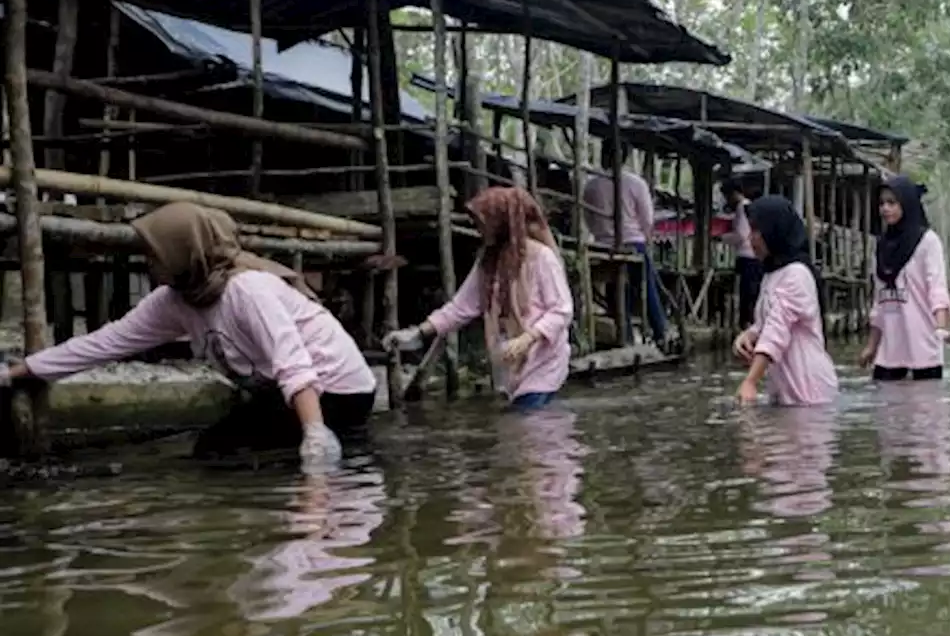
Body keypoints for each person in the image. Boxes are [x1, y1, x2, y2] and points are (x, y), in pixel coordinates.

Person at [0, 202, 376, 472]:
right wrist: (22, 371)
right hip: (284, 391)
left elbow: (294, 364)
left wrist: (315, 435)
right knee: (217, 451)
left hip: (338, 390)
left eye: (155, 254)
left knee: (242, 456)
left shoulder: (248, 289)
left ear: (184, 251)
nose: (149, 262)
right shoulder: (176, 300)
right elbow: (106, 342)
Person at [384, 186, 573, 411]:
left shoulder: (541, 258)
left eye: (482, 222)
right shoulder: (488, 262)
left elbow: (561, 310)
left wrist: (528, 338)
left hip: (543, 360)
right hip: (508, 361)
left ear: (500, 221)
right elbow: (461, 307)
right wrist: (418, 332)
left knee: (527, 424)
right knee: (521, 431)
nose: (478, 228)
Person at [731, 195, 839, 406]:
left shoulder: (796, 275)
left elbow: (776, 330)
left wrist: (751, 381)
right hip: (785, 391)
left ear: (774, 232)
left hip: (810, 391)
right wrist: (749, 334)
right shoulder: (772, 274)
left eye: (756, 231)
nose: (750, 239)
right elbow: (766, 324)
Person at [858, 175, 950, 381]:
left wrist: (941, 328)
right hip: (890, 348)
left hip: (923, 344)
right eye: (881, 204)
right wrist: (871, 346)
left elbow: (937, 288)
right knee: (887, 407)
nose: (885, 209)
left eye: (892, 202)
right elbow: (879, 300)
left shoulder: (927, 242)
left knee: (925, 407)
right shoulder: (881, 246)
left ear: (906, 203)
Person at [582, 138, 668, 345]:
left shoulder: (591, 185)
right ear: (625, 158)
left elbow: (588, 217)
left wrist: (602, 233)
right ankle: (661, 334)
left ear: (603, 155)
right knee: (647, 291)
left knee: (615, 293)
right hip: (633, 243)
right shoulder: (636, 183)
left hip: (603, 244)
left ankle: (625, 336)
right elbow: (647, 220)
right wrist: (647, 240)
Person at [719, 178, 763, 331]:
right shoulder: (750, 207)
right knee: (751, 294)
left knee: (747, 295)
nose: (726, 200)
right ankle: (751, 324)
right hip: (752, 256)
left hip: (747, 256)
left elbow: (741, 235)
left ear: (733, 194)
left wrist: (722, 238)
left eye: (727, 196)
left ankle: (747, 326)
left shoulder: (742, 208)